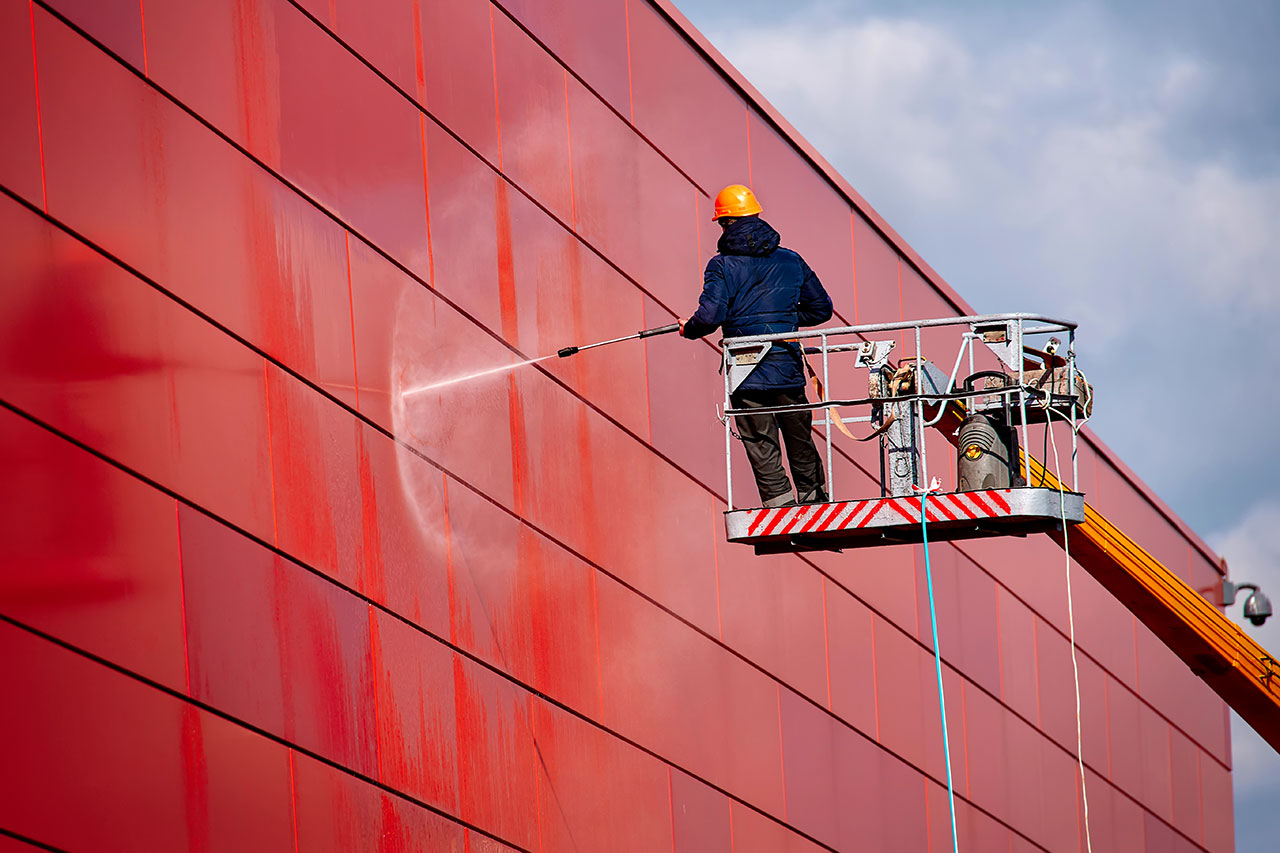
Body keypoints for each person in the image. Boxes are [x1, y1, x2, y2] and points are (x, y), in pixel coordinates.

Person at [680, 184, 834, 508]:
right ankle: (815, 500)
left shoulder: (720, 265)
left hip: (746, 367)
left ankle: (779, 503)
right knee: (799, 435)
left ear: (725, 224)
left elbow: (710, 317)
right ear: (757, 216)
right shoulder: (792, 261)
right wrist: (784, 322)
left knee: (759, 439)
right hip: (787, 363)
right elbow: (821, 309)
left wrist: (689, 330)